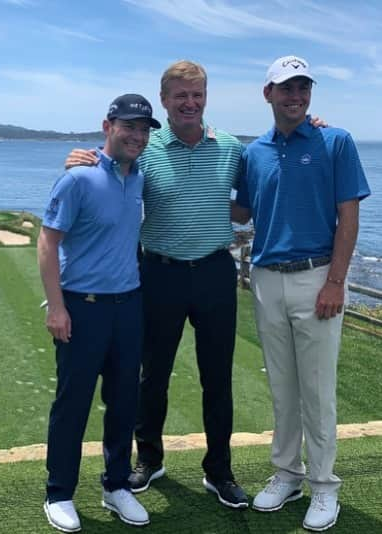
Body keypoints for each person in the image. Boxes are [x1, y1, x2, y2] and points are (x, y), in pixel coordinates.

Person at [65, 60, 249, 509]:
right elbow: (108, 169)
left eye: (197, 95)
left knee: (217, 378)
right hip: (159, 273)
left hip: (213, 273)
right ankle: (149, 459)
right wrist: (79, 158)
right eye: (180, 96)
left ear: (206, 97)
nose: (190, 103)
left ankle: (219, 471)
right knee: (152, 376)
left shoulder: (230, 148)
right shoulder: (145, 146)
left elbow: (244, 210)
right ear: (164, 101)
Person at [233, 55, 370, 531]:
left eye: (303, 88)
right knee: (283, 388)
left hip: (317, 279)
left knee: (317, 389)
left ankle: (325, 485)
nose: (296, 97)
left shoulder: (335, 141)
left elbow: (348, 216)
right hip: (267, 279)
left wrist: (336, 281)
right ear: (267, 94)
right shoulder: (253, 153)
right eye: (286, 89)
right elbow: (238, 212)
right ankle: (287, 474)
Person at [38, 93, 161, 533]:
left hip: (129, 306)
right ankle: (59, 493)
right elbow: (48, 242)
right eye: (129, 126)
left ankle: (115, 485)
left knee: (124, 402)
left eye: (144, 129)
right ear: (108, 126)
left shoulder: (140, 176)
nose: (137, 135)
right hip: (81, 307)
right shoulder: (78, 178)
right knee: (72, 404)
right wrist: (56, 307)